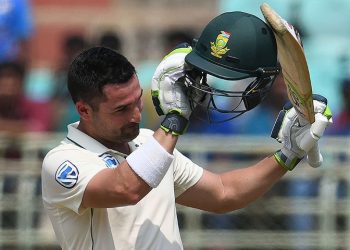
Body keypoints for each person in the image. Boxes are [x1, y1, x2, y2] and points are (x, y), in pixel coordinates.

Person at [41, 12, 332, 249]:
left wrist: (287, 155)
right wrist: (175, 118)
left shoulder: (148, 143)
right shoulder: (63, 162)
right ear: (84, 110)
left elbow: (224, 193)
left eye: (136, 101)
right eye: (120, 109)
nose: (135, 115)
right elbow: (126, 188)